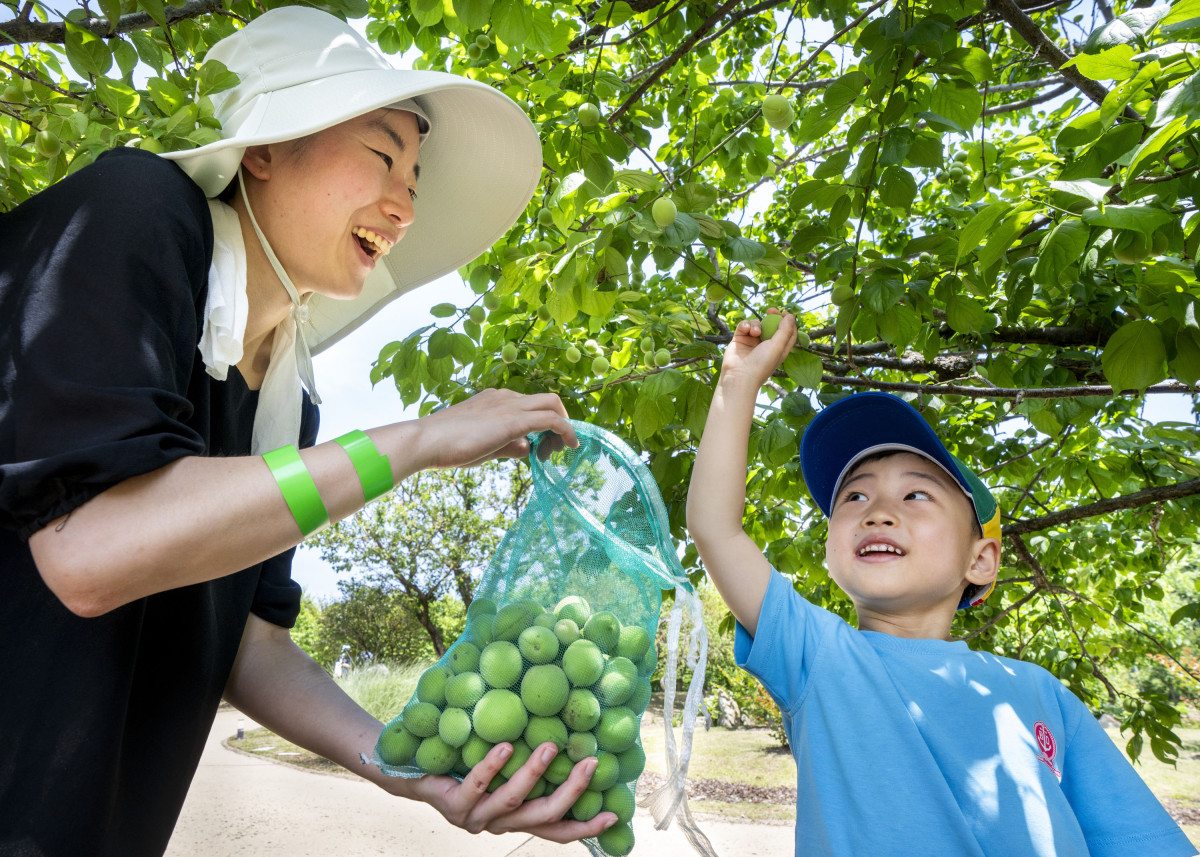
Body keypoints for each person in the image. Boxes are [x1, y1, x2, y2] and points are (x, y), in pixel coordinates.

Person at [0, 8, 618, 855]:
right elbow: (90, 549)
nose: (404, 202)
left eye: (416, 177)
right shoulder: (136, 209)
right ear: (262, 148)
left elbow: (250, 642)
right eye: (382, 153)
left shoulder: (290, 396)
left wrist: (401, 764)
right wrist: (415, 441)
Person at [685, 311, 1197, 857]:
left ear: (980, 561)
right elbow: (715, 528)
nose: (877, 512)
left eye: (916, 495)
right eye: (853, 497)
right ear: (830, 551)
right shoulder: (819, 656)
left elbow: (1136, 839)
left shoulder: (1039, 690)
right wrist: (737, 384)